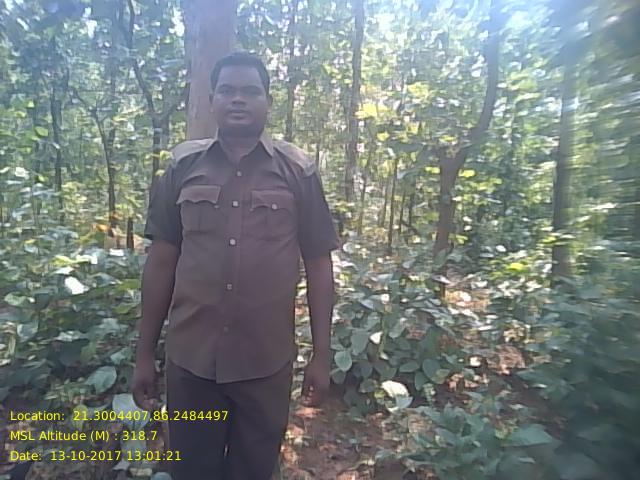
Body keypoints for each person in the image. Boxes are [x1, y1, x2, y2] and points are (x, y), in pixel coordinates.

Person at [132, 51, 341, 480]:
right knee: (192, 471)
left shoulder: (297, 171)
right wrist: (144, 354)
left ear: (268, 101)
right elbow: (161, 263)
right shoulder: (183, 167)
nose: (238, 99)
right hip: (191, 363)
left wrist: (322, 356)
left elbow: (319, 265)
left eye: (250, 91)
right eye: (227, 90)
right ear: (212, 100)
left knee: (254, 471)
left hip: (265, 364)